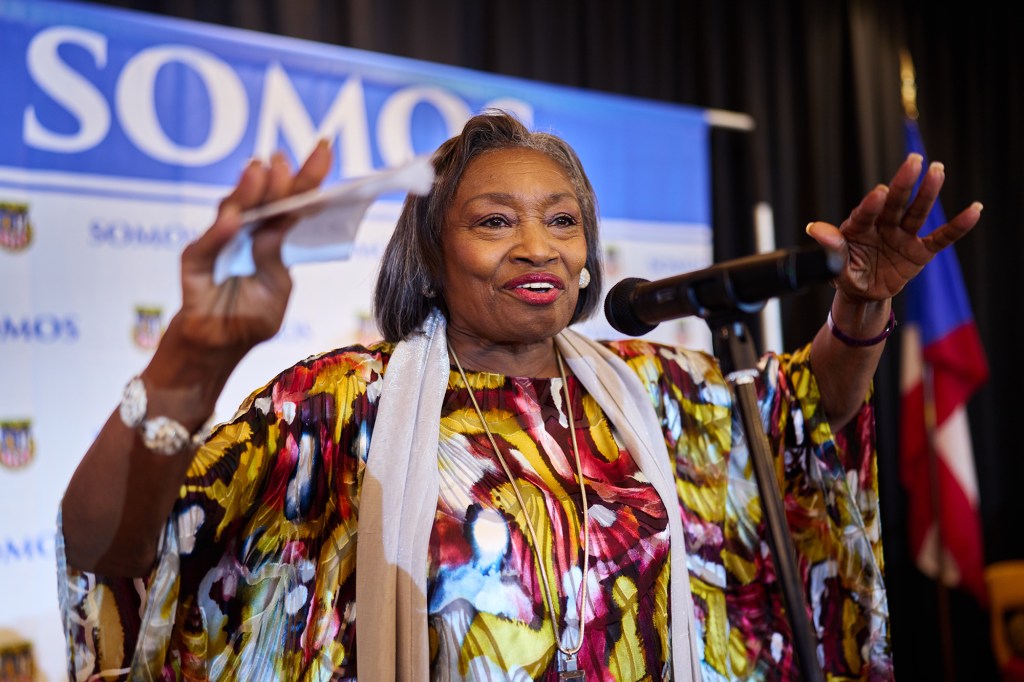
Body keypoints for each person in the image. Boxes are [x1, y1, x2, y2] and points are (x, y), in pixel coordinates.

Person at [56, 109, 981, 681]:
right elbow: (109, 545)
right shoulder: (341, 404)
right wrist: (191, 353)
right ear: (432, 250)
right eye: (495, 222)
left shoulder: (661, 394)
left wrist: (859, 306)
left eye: (563, 222)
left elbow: (806, 425)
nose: (538, 247)